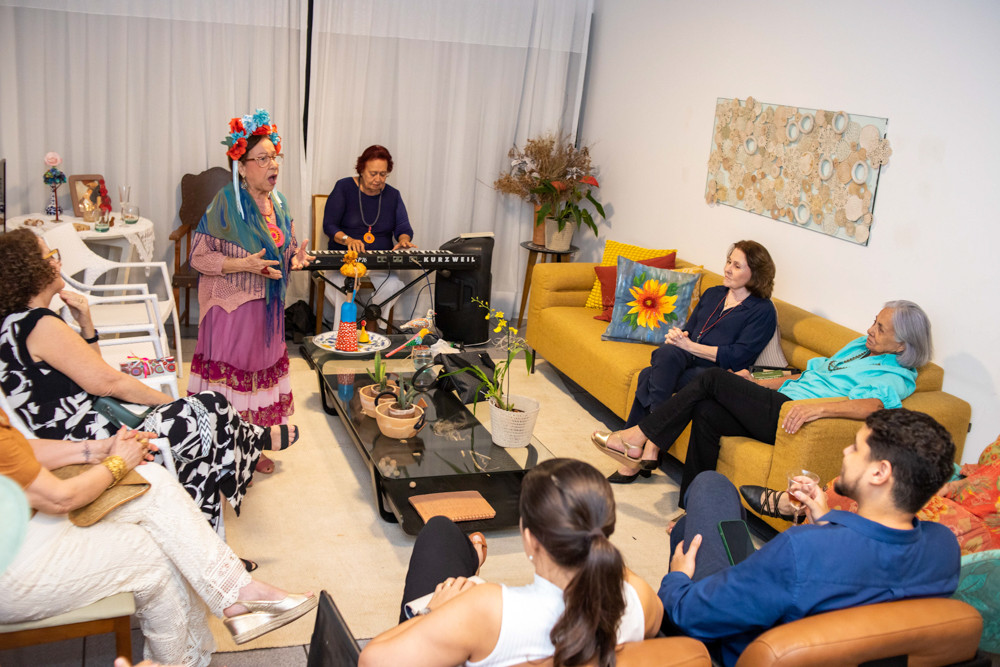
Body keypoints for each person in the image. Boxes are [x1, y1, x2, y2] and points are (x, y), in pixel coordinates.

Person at [0, 229, 298, 533]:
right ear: (32, 269)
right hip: (92, 438)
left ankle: (247, 448)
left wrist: (86, 324)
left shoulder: (15, 326)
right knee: (208, 407)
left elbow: (93, 373)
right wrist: (176, 403)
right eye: (50, 256)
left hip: (81, 428)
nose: (57, 262)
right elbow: (109, 383)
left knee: (209, 415)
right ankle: (253, 441)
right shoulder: (40, 324)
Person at [0, 407, 317, 667]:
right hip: (14, 564)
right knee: (155, 554)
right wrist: (117, 462)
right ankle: (180, 661)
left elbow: (17, 448)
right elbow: (60, 499)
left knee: (151, 479)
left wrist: (98, 449)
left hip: (22, 521)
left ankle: (236, 593)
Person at [661, 409, 960, 665]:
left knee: (710, 486)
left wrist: (677, 579)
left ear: (880, 473)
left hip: (743, 648)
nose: (845, 452)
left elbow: (689, 613)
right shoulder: (944, 547)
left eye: (856, 448)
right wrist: (828, 522)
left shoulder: (802, 548)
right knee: (693, 524)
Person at [593, 300, 931, 504]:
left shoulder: (896, 374)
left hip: (789, 416)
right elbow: (804, 374)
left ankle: (638, 437)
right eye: (874, 321)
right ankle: (693, 507)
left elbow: (873, 407)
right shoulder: (860, 346)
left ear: (902, 345)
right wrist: (756, 379)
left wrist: (817, 407)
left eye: (880, 328)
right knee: (706, 410)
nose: (870, 329)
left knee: (712, 379)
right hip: (779, 398)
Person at [359, 459, 663, 667]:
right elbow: (632, 592)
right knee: (443, 537)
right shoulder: (638, 600)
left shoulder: (488, 609)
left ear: (530, 539)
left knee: (439, 532)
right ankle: (470, 559)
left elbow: (371, 660)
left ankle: (469, 560)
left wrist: (432, 612)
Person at [188, 109, 314, 475]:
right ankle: (225, 450)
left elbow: (285, 249)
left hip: (268, 312)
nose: (272, 165)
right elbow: (199, 257)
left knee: (260, 380)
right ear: (241, 167)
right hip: (231, 311)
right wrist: (242, 264)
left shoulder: (280, 203)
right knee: (233, 383)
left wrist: (296, 257)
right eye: (262, 158)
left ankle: (252, 446)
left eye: (275, 157)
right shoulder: (225, 203)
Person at [596, 240, 777, 484]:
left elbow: (738, 355)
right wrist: (678, 337)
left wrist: (690, 346)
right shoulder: (714, 294)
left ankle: (641, 450)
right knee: (667, 354)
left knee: (648, 376)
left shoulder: (762, 311)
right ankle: (649, 446)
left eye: (737, 266)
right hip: (687, 358)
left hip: (718, 374)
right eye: (728, 261)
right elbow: (690, 330)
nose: (727, 269)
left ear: (755, 274)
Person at [322, 145, 415, 332]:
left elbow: (403, 227)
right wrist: (348, 240)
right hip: (345, 262)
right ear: (361, 170)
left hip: (379, 263)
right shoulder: (344, 187)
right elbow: (329, 225)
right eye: (373, 173)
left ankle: (371, 318)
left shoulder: (393, 195)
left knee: (393, 286)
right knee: (340, 287)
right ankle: (342, 333)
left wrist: (404, 239)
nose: (378, 179)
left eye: (383, 174)